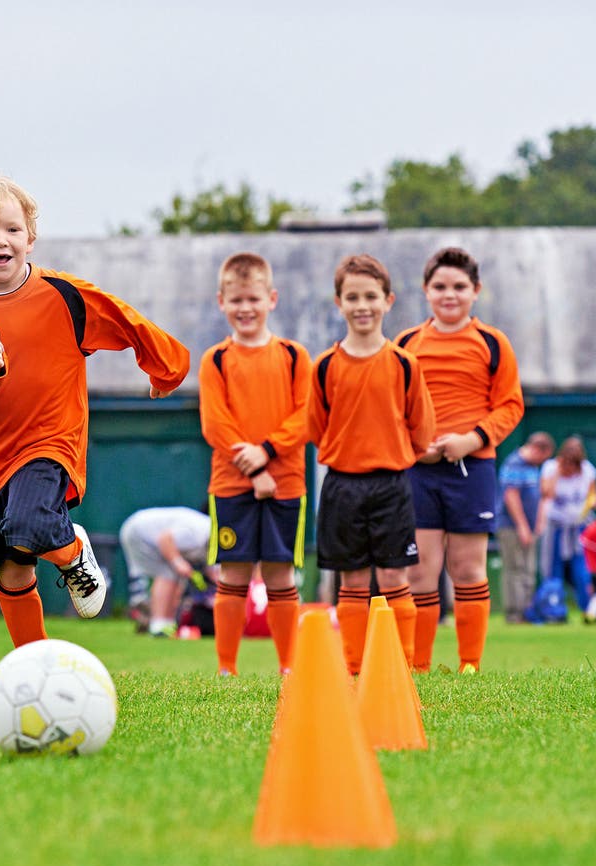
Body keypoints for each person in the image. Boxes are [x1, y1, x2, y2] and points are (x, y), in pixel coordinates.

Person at [0, 175, 189, 646]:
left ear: (30, 238)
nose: (1, 240)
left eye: (12, 229)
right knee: (13, 565)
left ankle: (73, 552)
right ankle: (32, 662)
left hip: (52, 442)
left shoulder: (64, 296)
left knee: (30, 525)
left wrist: (166, 369)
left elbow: (126, 320)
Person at [396, 247, 524, 674]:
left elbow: (510, 405)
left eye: (459, 287)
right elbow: (393, 406)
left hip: (473, 470)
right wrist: (418, 445)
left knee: (468, 568)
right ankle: (420, 666)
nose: (449, 295)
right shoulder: (406, 344)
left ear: (476, 291)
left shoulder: (492, 342)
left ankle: (470, 664)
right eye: (440, 287)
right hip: (419, 471)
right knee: (420, 573)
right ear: (425, 291)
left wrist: (472, 439)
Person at [309, 254, 436, 676]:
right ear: (338, 303)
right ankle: (353, 666)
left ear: (388, 301)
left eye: (370, 296)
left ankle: (407, 667)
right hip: (342, 486)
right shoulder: (325, 366)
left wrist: (390, 453)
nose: (362, 305)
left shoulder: (404, 364)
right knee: (353, 583)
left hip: (392, 486)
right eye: (352, 297)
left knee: (396, 580)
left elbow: (421, 430)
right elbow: (315, 426)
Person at [199, 252, 312, 675]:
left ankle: (290, 668)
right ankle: (227, 668)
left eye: (253, 299)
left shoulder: (295, 356)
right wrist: (254, 469)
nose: (245, 308)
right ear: (221, 302)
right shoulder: (215, 360)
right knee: (233, 573)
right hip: (231, 484)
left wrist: (266, 452)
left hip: (287, 483)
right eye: (236, 300)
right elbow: (215, 424)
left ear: (272, 299)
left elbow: (306, 416)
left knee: (281, 574)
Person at [119, 506, 212, 637]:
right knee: (168, 572)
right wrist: (178, 562)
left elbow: (214, 572)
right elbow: (165, 539)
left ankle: (162, 621)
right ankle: (159, 625)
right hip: (139, 533)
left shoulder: (211, 538)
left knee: (172, 573)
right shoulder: (198, 534)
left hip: (139, 531)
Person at [496, 432, 555, 623]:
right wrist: (522, 526)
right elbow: (511, 497)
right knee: (515, 568)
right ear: (537, 449)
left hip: (529, 527)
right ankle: (514, 613)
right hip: (511, 526)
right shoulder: (514, 463)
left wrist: (537, 523)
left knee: (528, 569)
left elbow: (538, 496)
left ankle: (528, 611)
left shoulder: (532, 467)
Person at [538, 436, 596, 618]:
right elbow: (546, 493)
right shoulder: (550, 468)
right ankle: (553, 610)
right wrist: (557, 472)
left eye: (574, 465)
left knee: (582, 569)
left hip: (578, 526)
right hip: (556, 526)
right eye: (568, 464)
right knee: (552, 569)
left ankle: (587, 610)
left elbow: (594, 496)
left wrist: (590, 504)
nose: (570, 469)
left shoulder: (587, 470)